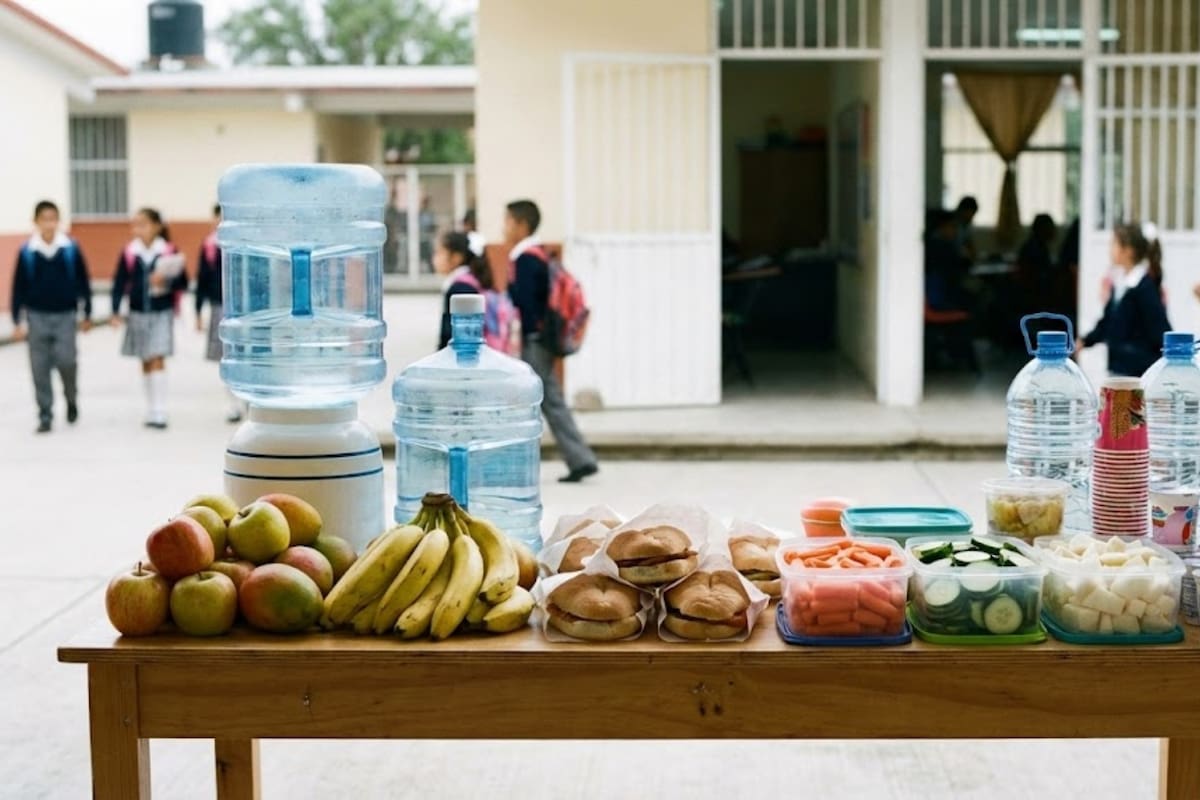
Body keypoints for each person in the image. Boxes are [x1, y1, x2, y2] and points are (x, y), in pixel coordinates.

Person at [504, 199, 599, 483]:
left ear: (522, 225)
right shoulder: (540, 254)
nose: (504, 228)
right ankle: (579, 458)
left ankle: (574, 459)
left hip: (535, 340)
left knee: (539, 400)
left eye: (507, 221)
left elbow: (525, 303)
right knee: (548, 398)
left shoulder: (525, 258)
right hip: (543, 339)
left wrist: (528, 335)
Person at [10, 200, 92, 433]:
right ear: (35, 222)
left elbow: (83, 281)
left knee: (67, 361)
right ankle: (45, 413)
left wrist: (87, 312)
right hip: (37, 316)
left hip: (65, 314)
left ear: (58, 221)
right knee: (39, 367)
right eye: (44, 219)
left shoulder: (70, 249)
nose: (49, 224)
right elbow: (19, 287)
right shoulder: (28, 252)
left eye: (53, 218)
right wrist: (17, 320)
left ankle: (71, 397)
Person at [110, 207, 186, 429]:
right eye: (135, 225)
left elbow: (183, 283)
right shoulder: (129, 253)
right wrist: (115, 312)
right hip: (138, 314)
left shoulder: (169, 250)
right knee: (145, 360)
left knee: (157, 357)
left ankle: (161, 410)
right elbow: (118, 284)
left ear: (157, 226)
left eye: (143, 224)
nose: (138, 229)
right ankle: (151, 408)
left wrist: (166, 282)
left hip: (161, 312)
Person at [1078, 222, 1170, 377]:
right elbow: (1108, 322)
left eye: (1114, 244)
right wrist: (1085, 341)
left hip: (1138, 374)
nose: (1110, 250)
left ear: (1128, 251)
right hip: (1119, 369)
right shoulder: (1120, 283)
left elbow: (1160, 331)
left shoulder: (1143, 288)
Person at [194, 204, 244, 423]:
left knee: (245, 354)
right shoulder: (208, 246)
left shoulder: (244, 243)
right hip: (218, 306)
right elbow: (202, 280)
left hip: (244, 308)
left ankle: (249, 398)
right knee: (226, 357)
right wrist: (197, 310)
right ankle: (233, 403)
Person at [434, 230, 519, 354]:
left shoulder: (459, 288)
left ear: (456, 257)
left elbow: (452, 334)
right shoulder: (472, 281)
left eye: (439, 252)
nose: (435, 258)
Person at [954, 196, 979, 261]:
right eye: (972, 213)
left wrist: (973, 254)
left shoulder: (966, 224)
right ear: (963, 210)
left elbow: (968, 242)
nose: (972, 217)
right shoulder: (951, 224)